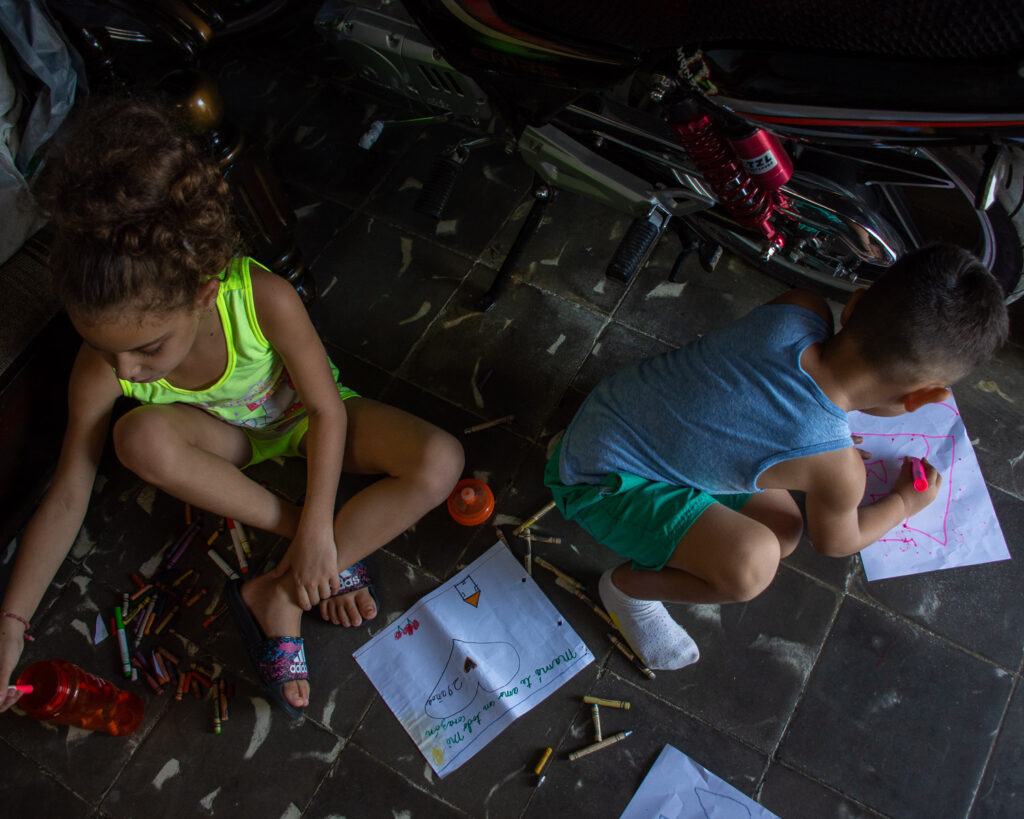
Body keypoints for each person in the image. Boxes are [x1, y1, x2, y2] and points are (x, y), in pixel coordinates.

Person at [0, 98, 464, 718]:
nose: (125, 371)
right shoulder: (106, 366)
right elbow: (67, 492)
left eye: (145, 348)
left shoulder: (261, 297)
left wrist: (323, 528)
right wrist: (11, 620)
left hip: (304, 418)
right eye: (102, 349)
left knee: (440, 460)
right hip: (230, 439)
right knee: (136, 438)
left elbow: (328, 414)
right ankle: (310, 552)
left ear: (202, 293)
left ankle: (280, 592)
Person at [545, 245, 1009, 671]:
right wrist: (905, 503)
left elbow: (755, 398)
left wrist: (821, 451)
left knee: (784, 530)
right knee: (752, 566)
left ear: (853, 305)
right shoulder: (839, 471)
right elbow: (838, 542)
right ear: (923, 398)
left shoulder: (800, 306)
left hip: (615, 415)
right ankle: (627, 591)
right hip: (599, 479)